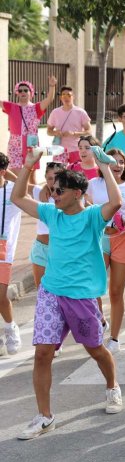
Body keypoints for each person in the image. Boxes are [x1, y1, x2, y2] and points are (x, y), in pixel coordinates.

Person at [12, 148, 123, 440]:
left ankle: (112, 386)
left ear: (76, 193)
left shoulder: (91, 218)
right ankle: (44, 416)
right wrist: (27, 166)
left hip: (81, 297)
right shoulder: (52, 213)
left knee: (96, 350)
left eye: (59, 190)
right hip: (50, 292)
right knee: (42, 354)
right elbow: (17, 198)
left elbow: (116, 201)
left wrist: (104, 167)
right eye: (52, 188)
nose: (53, 194)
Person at [86, 149, 125, 353]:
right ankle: (101, 320)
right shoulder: (94, 185)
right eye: (114, 161)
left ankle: (114, 338)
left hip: (124, 240)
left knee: (115, 292)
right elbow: (83, 204)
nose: (118, 165)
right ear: (105, 164)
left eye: (121, 162)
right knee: (94, 287)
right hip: (99, 239)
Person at [3, 77, 57, 179]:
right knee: (17, 174)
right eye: (20, 90)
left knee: (32, 177)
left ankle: (32, 193)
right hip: (15, 144)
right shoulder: (11, 106)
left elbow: (49, 99)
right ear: (17, 93)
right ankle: (24, 191)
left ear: (30, 92)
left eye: (25, 90)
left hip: (31, 144)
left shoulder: (36, 108)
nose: (22, 92)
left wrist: (52, 86)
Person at [0, 152, 24, 356]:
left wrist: (11, 176)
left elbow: (31, 190)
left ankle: (10, 328)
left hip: (4, 251)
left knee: (1, 294)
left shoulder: (13, 192)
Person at [29, 162, 66, 290]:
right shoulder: (40, 193)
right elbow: (18, 186)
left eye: (57, 177)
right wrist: (29, 168)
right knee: (42, 292)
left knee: (63, 293)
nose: (53, 181)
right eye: (50, 178)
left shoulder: (71, 195)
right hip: (41, 249)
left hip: (62, 249)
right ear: (45, 179)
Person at [46, 86, 91, 164]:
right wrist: (55, 132)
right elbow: (49, 131)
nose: (66, 98)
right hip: (59, 150)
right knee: (60, 174)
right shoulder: (55, 112)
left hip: (76, 149)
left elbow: (89, 131)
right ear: (60, 97)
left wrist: (74, 133)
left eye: (69, 95)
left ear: (73, 97)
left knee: (76, 174)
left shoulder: (80, 112)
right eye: (64, 95)